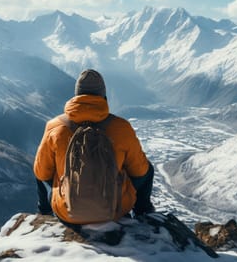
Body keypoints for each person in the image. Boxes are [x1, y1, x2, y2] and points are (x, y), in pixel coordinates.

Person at [34, 69, 155, 225]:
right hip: (113, 209)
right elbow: (140, 171)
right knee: (148, 168)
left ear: (76, 97)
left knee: (40, 167)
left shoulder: (55, 126)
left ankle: (44, 212)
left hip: (67, 210)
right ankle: (143, 213)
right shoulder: (121, 127)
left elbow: (41, 173)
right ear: (104, 97)